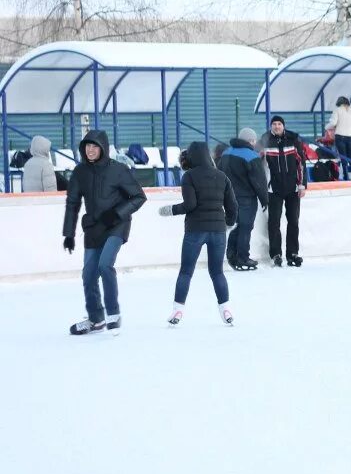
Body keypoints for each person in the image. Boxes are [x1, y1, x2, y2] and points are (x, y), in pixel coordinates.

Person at [62, 130, 147, 335]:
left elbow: (138, 197)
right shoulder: (80, 172)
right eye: (87, 146)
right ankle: (95, 319)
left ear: (103, 147)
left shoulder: (118, 169)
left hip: (117, 224)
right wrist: (69, 233)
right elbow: (73, 203)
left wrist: (117, 214)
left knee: (105, 265)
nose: (90, 150)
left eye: (94, 146)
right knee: (88, 275)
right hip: (93, 227)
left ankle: (113, 314)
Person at [158, 141, 237, 326]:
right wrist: (229, 224)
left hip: (195, 230)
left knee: (186, 271)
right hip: (218, 231)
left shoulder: (189, 176)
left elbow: (190, 205)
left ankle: (177, 312)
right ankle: (226, 310)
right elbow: (232, 206)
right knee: (217, 272)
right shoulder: (222, 176)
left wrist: (169, 210)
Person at [218, 128, 269, 271]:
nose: (254, 142)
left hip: (228, 197)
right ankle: (243, 257)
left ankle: (231, 255)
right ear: (250, 141)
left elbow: (219, 173)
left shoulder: (226, 152)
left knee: (235, 225)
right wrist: (264, 200)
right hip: (246, 198)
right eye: (253, 140)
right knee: (245, 227)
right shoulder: (251, 156)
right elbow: (259, 181)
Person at [263, 115, 307, 267]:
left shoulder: (293, 140)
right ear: (271, 126)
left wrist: (302, 185)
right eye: (274, 124)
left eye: (279, 124)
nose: (276, 126)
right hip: (273, 189)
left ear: (283, 126)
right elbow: (262, 167)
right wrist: (264, 187)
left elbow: (301, 163)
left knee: (293, 221)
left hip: (292, 189)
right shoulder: (266, 141)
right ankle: (276, 254)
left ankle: (292, 253)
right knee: (274, 222)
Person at [328, 96, 351, 179]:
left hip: (340, 135)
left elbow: (333, 123)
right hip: (350, 136)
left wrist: (326, 127)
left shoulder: (337, 110)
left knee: (343, 156)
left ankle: (345, 175)